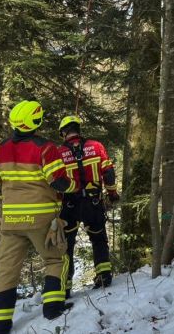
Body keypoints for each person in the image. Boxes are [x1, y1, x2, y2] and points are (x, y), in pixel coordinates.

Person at [0, 101, 74, 334]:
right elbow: (59, 182)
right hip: (41, 218)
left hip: (10, 221)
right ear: (36, 121)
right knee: (56, 260)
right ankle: (53, 309)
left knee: (6, 269)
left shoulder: (2, 147)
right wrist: (73, 183)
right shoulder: (45, 147)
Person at [58, 115, 119, 293]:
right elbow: (108, 172)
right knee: (99, 238)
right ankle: (104, 276)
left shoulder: (59, 152)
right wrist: (112, 193)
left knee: (67, 245)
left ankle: (65, 287)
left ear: (63, 132)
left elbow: (54, 180)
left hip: (69, 205)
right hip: (93, 202)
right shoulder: (96, 146)